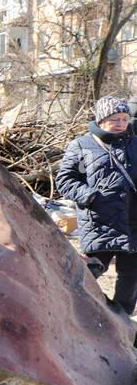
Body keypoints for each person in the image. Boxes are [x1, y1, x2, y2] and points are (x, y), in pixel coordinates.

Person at [57, 97, 137, 315]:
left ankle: (121, 323)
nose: (121, 123)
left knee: (130, 279)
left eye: (124, 118)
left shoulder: (135, 143)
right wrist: (89, 196)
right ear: (101, 120)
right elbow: (65, 180)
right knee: (88, 273)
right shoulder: (82, 145)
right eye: (114, 119)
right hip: (100, 221)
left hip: (132, 222)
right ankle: (69, 314)